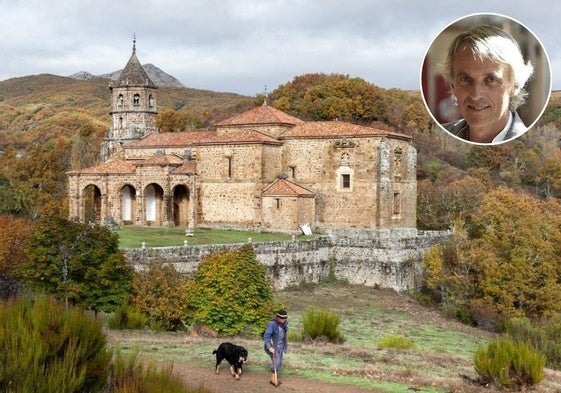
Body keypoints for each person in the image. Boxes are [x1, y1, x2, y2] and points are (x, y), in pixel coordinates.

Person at [441, 24, 534, 144]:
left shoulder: (531, 146)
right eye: (465, 79)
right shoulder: (437, 136)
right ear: (453, 86)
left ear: (515, 85)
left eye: (491, 79)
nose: (476, 94)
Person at [263, 309, 288, 386]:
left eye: (284, 318)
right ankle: (273, 379)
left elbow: (284, 336)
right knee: (276, 362)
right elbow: (266, 336)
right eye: (281, 318)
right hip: (273, 346)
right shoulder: (272, 324)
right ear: (278, 317)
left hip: (280, 346)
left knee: (279, 363)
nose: (283, 320)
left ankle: (273, 379)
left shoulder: (285, 324)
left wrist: (284, 346)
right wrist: (269, 346)